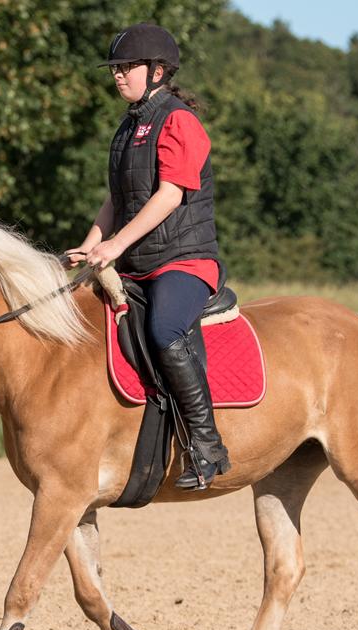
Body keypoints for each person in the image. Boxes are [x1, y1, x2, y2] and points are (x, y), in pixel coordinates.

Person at [66, 23, 230, 490]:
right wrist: (90, 242)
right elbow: (116, 199)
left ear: (158, 71)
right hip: (140, 263)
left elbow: (170, 195)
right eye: (115, 69)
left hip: (185, 260)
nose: (118, 76)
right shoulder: (128, 126)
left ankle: (206, 444)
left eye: (127, 68)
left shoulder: (179, 121)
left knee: (163, 329)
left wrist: (115, 245)